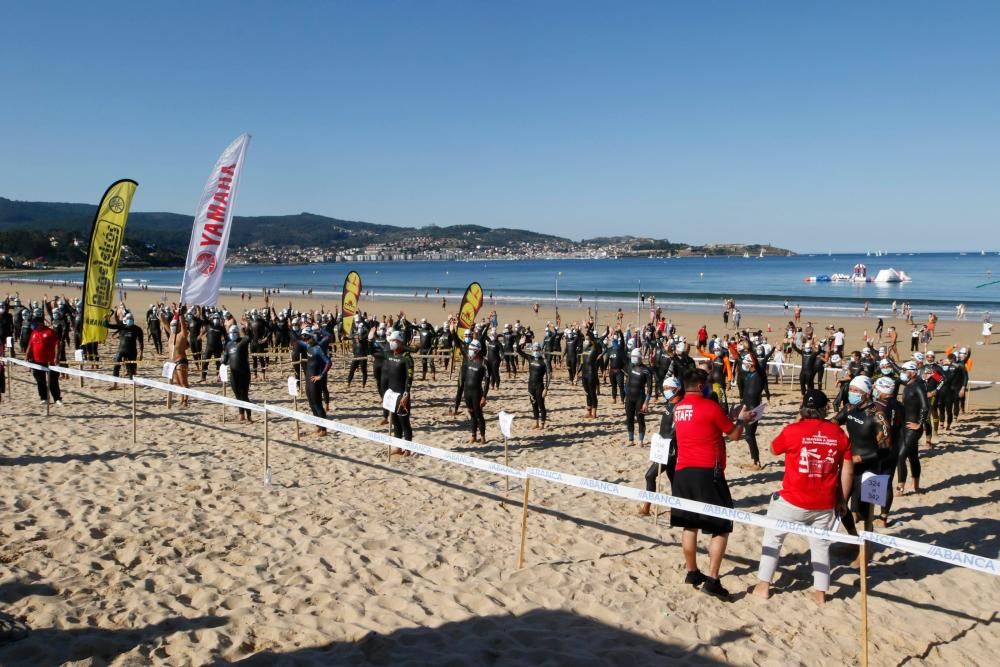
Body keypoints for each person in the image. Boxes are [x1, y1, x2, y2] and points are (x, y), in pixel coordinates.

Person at [751, 390, 852, 605]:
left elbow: (772, 449)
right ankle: (820, 593)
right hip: (824, 501)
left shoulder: (793, 430)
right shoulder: (838, 433)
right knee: (820, 544)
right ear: (825, 409)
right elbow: (847, 470)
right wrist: (842, 499)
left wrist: (797, 424)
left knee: (773, 538)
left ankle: (763, 585)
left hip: (793, 499)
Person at [670, 369, 746, 600]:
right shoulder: (709, 407)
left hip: (683, 470)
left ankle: (692, 571)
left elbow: (704, 427)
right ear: (702, 385)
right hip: (707, 471)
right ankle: (713, 578)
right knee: (722, 525)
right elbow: (734, 435)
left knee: (689, 524)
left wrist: (729, 417)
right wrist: (742, 419)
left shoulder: (678, 407)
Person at [834, 375, 889, 560]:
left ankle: (865, 550)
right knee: (839, 504)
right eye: (851, 390)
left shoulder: (878, 416)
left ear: (866, 394)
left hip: (870, 468)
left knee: (867, 513)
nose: (852, 393)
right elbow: (834, 422)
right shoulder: (849, 408)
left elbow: (885, 450)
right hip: (849, 465)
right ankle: (854, 539)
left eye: (857, 391)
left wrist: (860, 458)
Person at [639, 376, 684, 516]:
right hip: (662, 446)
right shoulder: (669, 403)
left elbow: (678, 429)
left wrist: (668, 442)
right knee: (673, 478)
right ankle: (676, 507)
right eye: (664, 388)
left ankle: (646, 507)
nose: (665, 391)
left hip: (670, 449)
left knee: (649, 476)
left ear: (677, 389)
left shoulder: (680, 406)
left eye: (667, 388)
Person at [384, 330, 415, 451]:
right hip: (392, 394)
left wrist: (406, 394)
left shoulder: (407, 358)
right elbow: (375, 351)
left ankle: (408, 448)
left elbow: (409, 377)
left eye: (394, 341)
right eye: (390, 340)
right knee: (395, 422)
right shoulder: (390, 355)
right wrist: (371, 340)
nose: (391, 343)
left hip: (402, 394)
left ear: (400, 342)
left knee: (404, 422)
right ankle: (397, 447)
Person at [26, 308, 63, 406]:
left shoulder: (50, 332)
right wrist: (27, 355)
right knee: (40, 381)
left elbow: (57, 344)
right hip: (37, 361)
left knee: (53, 381)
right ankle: (43, 398)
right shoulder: (34, 333)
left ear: (40, 323)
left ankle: (57, 398)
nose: (33, 325)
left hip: (50, 361)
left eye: (35, 323)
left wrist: (56, 357)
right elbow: (30, 344)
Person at [222, 321, 254, 423]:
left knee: (244, 395)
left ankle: (249, 416)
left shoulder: (243, 342)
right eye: (231, 333)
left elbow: (250, 337)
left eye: (235, 332)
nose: (233, 335)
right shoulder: (228, 344)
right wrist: (221, 367)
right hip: (233, 374)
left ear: (238, 333)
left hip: (244, 373)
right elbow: (226, 357)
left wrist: (246, 328)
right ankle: (241, 415)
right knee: (237, 395)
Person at [462, 339, 491, 443]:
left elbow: (487, 381)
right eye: (470, 349)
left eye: (472, 349)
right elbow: (459, 346)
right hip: (467, 392)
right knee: (471, 414)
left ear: (478, 350)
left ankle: (483, 437)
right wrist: (453, 332)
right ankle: (473, 436)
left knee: (479, 415)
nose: (470, 351)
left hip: (476, 392)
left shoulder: (484, 363)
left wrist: (484, 396)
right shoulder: (469, 359)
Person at [739, 353, 765, 469]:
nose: (744, 365)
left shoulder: (759, 374)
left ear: (751, 364)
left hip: (754, 408)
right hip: (747, 407)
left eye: (746, 363)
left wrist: (749, 350)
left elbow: (757, 365)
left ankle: (757, 462)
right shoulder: (748, 374)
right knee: (748, 436)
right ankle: (755, 460)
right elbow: (738, 359)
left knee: (750, 436)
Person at [624, 348, 653, 447]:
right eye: (632, 357)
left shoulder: (646, 370)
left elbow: (649, 387)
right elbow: (622, 354)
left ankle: (640, 440)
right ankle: (631, 439)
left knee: (640, 419)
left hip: (640, 398)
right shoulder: (630, 366)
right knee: (629, 419)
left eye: (634, 357)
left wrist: (646, 402)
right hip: (629, 398)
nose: (632, 359)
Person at [106, 308, 143, 385]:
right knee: (116, 366)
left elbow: (141, 342)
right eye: (128, 319)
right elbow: (107, 325)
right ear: (125, 319)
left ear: (133, 319)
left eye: (131, 319)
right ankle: (115, 383)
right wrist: (107, 319)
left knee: (131, 368)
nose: (130, 320)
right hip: (121, 350)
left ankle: (131, 382)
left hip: (132, 351)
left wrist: (141, 353)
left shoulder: (137, 329)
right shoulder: (122, 326)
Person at [518, 341, 550, 429]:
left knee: (541, 405)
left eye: (537, 349)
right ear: (532, 350)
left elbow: (548, 375)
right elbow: (518, 351)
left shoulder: (544, 361)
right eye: (534, 349)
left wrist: (546, 388)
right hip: (530, 386)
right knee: (534, 404)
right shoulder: (530, 358)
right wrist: (521, 343)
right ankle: (536, 422)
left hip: (540, 386)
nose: (535, 351)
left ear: (540, 350)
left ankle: (542, 423)